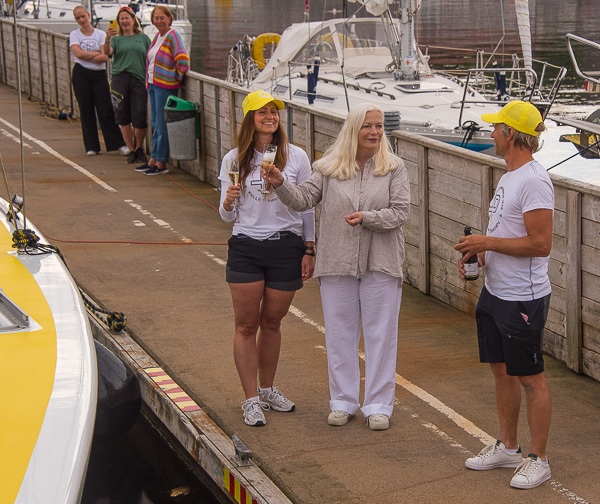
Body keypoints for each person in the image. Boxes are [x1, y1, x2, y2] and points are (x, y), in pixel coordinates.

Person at [263, 102, 410, 431]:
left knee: (380, 335)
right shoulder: (327, 168)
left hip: (381, 262)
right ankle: (343, 400)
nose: (374, 132)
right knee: (340, 335)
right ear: (353, 130)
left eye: (379, 126)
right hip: (337, 262)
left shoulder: (394, 167)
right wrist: (279, 181)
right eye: (367, 126)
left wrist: (367, 219)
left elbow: (401, 212)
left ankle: (378, 405)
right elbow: (302, 199)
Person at [454, 100, 554, 490]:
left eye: (496, 127)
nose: (491, 132)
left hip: (522, 298)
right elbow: (509, 235)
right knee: (501, 370)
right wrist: (481, 252)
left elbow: (541, 243)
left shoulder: (533, 179)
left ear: (511, 134)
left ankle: (539, 459)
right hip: (496, 293)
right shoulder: (508, 176)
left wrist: (487, 241)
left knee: (532, 379)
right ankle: (509, 447)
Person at [219, 90, 316, 427]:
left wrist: (310, 247)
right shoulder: (234, 159)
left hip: (286, 246)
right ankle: (249, 400)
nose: (270, 116)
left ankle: (267, 389)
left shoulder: (297, 157)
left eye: (274, 111)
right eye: (262, 112)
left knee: (272, 323)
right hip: (246, 245)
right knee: (246, 325)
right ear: (250, 118)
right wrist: (229, 201)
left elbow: (306, 205)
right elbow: (226, 217)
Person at [136, 5, 189, 176]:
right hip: (153, 84)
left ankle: (161, 163)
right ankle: (153, 158)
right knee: (154, 123)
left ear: (169, 19)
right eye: (156, 18)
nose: (159, 21)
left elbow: (183, 60)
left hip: (165, 86)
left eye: (162, 18)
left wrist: (176, 78)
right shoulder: (158, 37)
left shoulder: (173, 36)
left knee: (161, 125)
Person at [69, 6, 127, 157]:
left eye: (83, 16)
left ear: (88, 16)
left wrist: (87, 54)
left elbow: (105, 56)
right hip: (81, 74)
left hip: (98, 74)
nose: (81, 20)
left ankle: (118, 143)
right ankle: (91, 146)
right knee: (86, 109)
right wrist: (95, 54)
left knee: (105, 108)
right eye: (78, 18)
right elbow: (77, 54)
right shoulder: (74, 34)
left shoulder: (101, 34)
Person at [103, 6, 152, 165]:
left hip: (139, 79)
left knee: (139, 114)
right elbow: (107, 53)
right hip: (120, 79)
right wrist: (107, 39)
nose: (124, 21)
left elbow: (151, 57)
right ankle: (130, 149)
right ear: (118, 22)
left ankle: (139, 148)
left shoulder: (143, 38)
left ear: (133, 20)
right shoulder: (116, 39)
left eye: (127, 18)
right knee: (122, 115)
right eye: (121, 19)